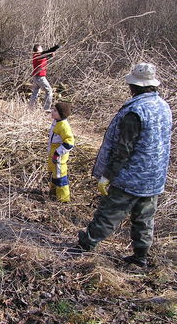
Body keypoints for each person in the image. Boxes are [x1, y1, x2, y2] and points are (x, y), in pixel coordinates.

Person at [70, 63, 172, 267]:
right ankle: (140, 256)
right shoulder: (163, 105)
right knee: (144, 218)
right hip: (154, 177)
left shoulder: (135, 112)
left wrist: (107, 175)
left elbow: (123, 149)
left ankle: (85, 245)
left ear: (134, 86)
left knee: (109, 213)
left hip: (131, 177)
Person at [47, 102, 74, 202]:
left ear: (61, 113)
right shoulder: (56, 122)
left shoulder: (64, 126)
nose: (52, 112)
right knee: (52, 174)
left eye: (55, 110)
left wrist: (58, 153)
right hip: (52, 156)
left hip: (58, 158)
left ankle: (63, 200)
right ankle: (53, 193)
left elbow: (69, 143)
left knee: (60, 177)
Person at [29, 42, 62, 111]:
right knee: (49, 91)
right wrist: (57, 46)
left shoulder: (37, 56)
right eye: (41, 48)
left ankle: (31, 108)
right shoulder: (38, 55)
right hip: (40, 77)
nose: (42, 49)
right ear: (38, 49)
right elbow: (48, 51)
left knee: (35, 92)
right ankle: (46, 109)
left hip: (35, 77)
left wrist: (50, 56)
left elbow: (44, 57)